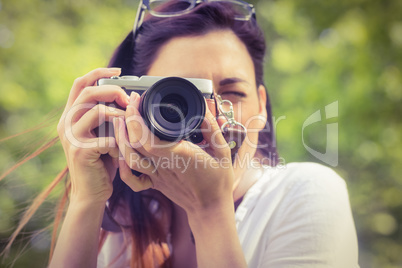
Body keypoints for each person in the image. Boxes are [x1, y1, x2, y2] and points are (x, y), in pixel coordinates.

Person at [51, 1, 359, 267]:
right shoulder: (129, 220)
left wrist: (210, 211)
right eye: (179, 98)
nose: (210, 118)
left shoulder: (306, 193)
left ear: (262, 105)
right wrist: (86, 199)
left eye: (232, 93)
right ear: (132, 103)